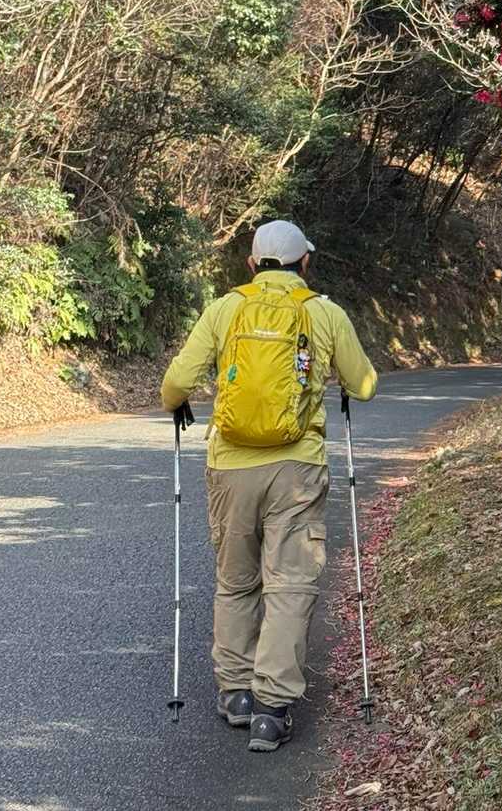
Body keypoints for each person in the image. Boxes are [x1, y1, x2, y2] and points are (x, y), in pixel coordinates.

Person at [160, 219, 377, 752]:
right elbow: (364, 385)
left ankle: (235, 692)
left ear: (253, 264)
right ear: (306, 263)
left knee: (236, 581)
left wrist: (177, 403)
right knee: (289, 585)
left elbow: (175, 384)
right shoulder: (324, 312)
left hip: (230, 467)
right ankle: (271, 710)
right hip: (297, 468)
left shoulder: (225, 308)